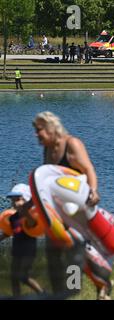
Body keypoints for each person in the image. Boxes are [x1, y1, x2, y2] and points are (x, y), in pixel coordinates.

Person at [32, 111, 100, 294]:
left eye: (39, 130)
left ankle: (75, 290)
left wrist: (93, 191)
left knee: (72, 254)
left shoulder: (72, 144)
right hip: (54, 212)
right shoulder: (47, 149)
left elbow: (88, 169)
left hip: (74, 210)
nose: (36, 134)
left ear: (51, 129)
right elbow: (45, 180)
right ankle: (60, 292)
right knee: (53, 254)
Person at [0, 184, 44, 297]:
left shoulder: (30, 217)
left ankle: (42, 294)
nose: (15, 203)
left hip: (29, 251)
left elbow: (32, 224)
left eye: (18, 199)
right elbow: (8, 232)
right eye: (13, 200)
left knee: (23, 276)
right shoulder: (13, 217)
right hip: (16, 251)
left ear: (27, 200)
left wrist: (25, 211)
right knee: (14, 277)